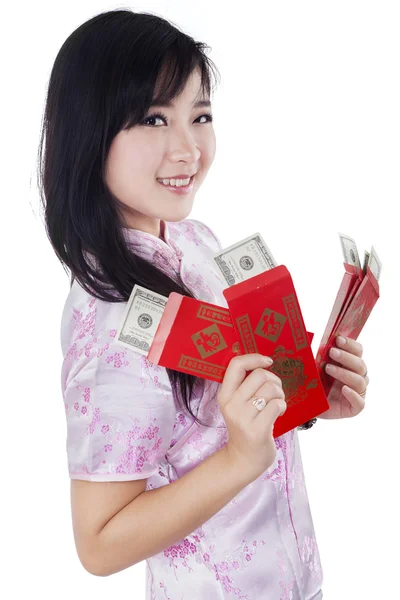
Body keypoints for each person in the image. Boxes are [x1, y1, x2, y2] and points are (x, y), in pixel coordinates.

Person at [37, 8, 370, 599]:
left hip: (294, 578)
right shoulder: (109, 323)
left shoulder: (194, 240)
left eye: (201, 115)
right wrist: (243, 457)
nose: (189, 148)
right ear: (90, 130)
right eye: (153, 118)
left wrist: (303, 395)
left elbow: (212, 417)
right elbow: (98, 542)